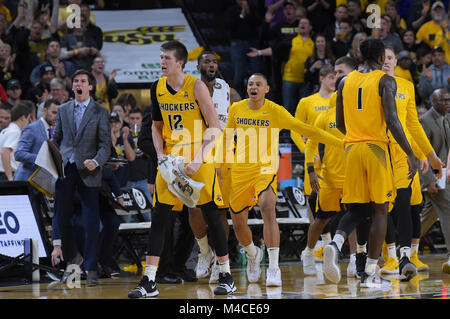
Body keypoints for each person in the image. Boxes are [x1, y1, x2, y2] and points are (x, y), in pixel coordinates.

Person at [128, 40, 235, 298]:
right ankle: (149, 280)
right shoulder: (157, 88)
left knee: (211, 216)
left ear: (180, 62)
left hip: (199, 156)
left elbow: (214, 127)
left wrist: (199, 158)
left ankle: (226, 275)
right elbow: (155, 126)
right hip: (171, 160)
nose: (162, 61)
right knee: (160, 218)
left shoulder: (196, 86)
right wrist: (162, 154)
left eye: (166, 57)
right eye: (161, 57)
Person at [218, 73, 343, 287]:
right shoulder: (236, 109)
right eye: (250, 84)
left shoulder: (275, 111)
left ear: (267, 89)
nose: (253, 87)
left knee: (268, 207)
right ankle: (252, 254)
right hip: (239, 171)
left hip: (265, 169)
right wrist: (221, 165)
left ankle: (273, 268)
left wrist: (341, 142)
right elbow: (227, 139)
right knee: (239, 225)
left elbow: (306, 129)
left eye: (258, 84)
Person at [323, 38, 418, 288]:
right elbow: (393, 121)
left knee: (357, 210)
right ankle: (371, 272)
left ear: (359, 55)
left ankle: (335, 243)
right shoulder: (386, 80)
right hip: (376, 148)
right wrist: (409, 152)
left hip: (351, 148)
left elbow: (340, 123)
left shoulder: (345, 81)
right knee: (380, 210)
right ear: (379, 58)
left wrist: (356, 133)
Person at [379, 47, 443, 279]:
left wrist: (426, 153)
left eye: (389, 57)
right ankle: (390, 257)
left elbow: (412, 124)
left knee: (411, 204)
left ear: (396, 60)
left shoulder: (406, 85)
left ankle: (410, 255)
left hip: (406, 153)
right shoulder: (372, 84)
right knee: (384, 206)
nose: (385, 61)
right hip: (380, 152)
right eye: (382, 58)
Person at [52, 69, 111, 287]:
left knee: (90, 222)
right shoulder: (63, 109)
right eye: (75, 80)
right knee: (62, 218)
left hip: (90, 171)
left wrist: (96, 161)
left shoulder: (100, 111)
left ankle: (92, 267)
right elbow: (56, 140)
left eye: (83, 81)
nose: (78, 83)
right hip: (66, 169)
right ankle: (73, 261)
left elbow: (106, 145)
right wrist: (52, 159)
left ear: (90, 86)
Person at [301, 56, 358, 277]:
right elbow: (310, 144)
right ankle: (308, 251)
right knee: (321, 219)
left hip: (352, 176)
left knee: (352, 216)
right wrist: (310, 170)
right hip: (329, 177)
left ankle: (354, 260)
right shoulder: (324, 116)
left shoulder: (356, 115)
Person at [189, 51, 241, 283]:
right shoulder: (189, 88)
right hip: (195, 151)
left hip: (223, 154)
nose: (211, 65)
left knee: (220, 210)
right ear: (199, 64)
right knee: (194, 206)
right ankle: (204, 252)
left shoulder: (228, 91)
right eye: (207, 61)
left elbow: (242, 119)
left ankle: (222, 263)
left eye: (214, 62)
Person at [291, 65, 336, 223]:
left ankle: (332, 243)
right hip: (314, 160)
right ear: (321, 78)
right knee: (312, 200)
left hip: (334, 161)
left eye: (336, 77)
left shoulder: (340, 102)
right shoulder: (307, 102)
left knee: (335, 204)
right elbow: (294, 130)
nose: (334, 80)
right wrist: (306, 151)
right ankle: (315, 243)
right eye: (331, 77)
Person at [419, 88, 450, 275]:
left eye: (449, 99)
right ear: (433, 101)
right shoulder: (425, 121)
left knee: (429, 216)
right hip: (432, 176)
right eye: (444, 100)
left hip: (445, 175)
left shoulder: (447, 117)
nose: (448, 103)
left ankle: (403, 247)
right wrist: (428, 179)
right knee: (448, 209)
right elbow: (420, 154)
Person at [14, 98, 59, 182]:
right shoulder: (32, 128)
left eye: (59, 114)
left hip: (43, 182)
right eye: (54, 113)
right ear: (44, 110)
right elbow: (19, 154)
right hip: (26, 180)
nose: (56, 117)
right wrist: (42, 159)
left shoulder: (54, 131)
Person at [0, 101, 34, 181]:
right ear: (23, 117)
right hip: (8, 175)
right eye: (28, 119)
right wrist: (10, 178)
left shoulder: (5, 130)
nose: (29, 122)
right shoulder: (15, 132)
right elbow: (5, 152)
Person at [109, 112, 135, 187]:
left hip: (125, 180)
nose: (113, 124)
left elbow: (131, 158)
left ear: (121, 124)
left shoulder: (127, 138)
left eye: (116, 122)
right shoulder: (104, 140)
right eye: (111, 122)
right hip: (109, 180)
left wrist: (125, 139)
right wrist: (112, 141)